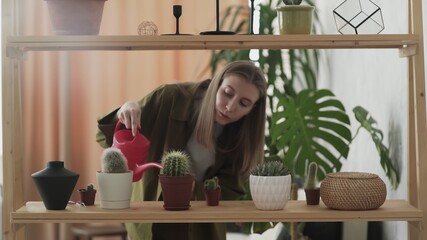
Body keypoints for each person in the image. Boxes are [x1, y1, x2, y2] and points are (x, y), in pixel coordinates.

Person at [96, 60, 267, 240]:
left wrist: (194, 188)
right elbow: (104, 138)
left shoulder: (242, 136)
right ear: (217, 83)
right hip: (150, 226)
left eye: (244, 103)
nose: (230, 107)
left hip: (201, 230)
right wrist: (123, 112)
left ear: (252, 109)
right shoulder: (170, 98)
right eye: (227, 93)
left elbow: (230, 191)